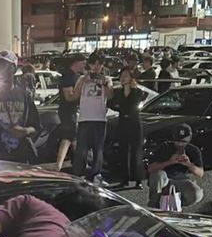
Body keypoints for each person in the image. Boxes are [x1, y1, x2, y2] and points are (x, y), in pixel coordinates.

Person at [71, 52, 113, 183]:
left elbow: (110, 96)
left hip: (100, 118)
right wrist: (84, 80)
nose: (96, 66)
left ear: (102, 65)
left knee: (98, 149)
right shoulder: (82, 78)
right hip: (84, 118)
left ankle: (96, 174)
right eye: (93, 63)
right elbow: (75, 95)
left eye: (99, 63)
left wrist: (104, 83)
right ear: (89, 64)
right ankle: (80, 174)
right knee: (82, 149)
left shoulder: (107, 79)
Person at [147, 123, 204, 208]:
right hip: (164, 180)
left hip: (181, 181)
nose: (180, 144)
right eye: (177, 141)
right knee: (158, 175)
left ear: (189, 139)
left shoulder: (193, 150)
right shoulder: (164, 147)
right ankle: (154, 205)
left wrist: (188, 164)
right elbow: (151, 169)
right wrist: (170, 162)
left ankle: (175, 204)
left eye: (183, 141)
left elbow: (200, 173)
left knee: (197, 193)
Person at [110, 67, 145, 188]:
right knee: (123, 152)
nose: (123, 78)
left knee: (136, 152)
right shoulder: (118, 92)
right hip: (122, 122)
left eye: (126, 75)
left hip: (134, 122)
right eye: (122, 75)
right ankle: (124, 178)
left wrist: (132, 90)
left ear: (131, 78)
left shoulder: (137, 91)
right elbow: (113, 104)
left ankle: (138, 180)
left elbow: (134, 104)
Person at [55, 53, 85, 171]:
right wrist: (80, 84)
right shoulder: (68, 77)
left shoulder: (72, 76)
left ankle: (79, 162)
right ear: (76, 63)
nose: (84, 66)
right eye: (83, 63)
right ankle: (58, 166)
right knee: (67, 138)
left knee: (73, 138)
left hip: (70, 110)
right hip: (67, 111)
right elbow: (69, 97)